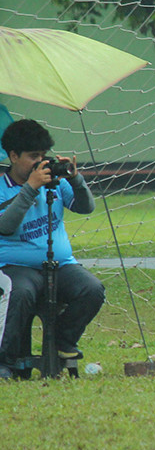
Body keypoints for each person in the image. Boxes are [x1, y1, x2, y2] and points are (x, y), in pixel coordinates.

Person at [0, 119, 105, 379]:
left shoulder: (55, 182)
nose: (40, 162)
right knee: (21, 292)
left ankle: (60, 342)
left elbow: (85, 207)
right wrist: (30, 188)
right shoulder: (3, 187)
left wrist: (76, 179)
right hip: (14, 266)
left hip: (61, 264)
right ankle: (7, 362)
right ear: (13, 156)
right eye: (32, 156)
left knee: (92, 289)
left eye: (43, 156)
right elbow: (6, 226)